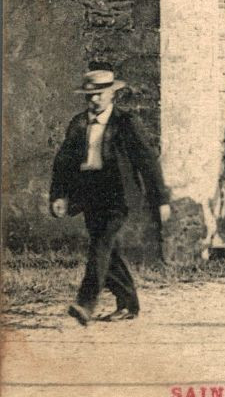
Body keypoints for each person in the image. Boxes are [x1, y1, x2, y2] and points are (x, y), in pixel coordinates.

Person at [49, 68, 171, 326]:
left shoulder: (126, 123)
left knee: (101, 245)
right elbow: (64, 163)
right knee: (107, 249)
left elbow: (147, 161)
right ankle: (128, 304)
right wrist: (60, 195)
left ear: (112, 94)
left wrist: (160, 199)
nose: (94, 100)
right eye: (89, 95)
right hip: (89, 193)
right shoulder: (78, 123)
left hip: (118, 195)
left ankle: (86, 303)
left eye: (100, 94)